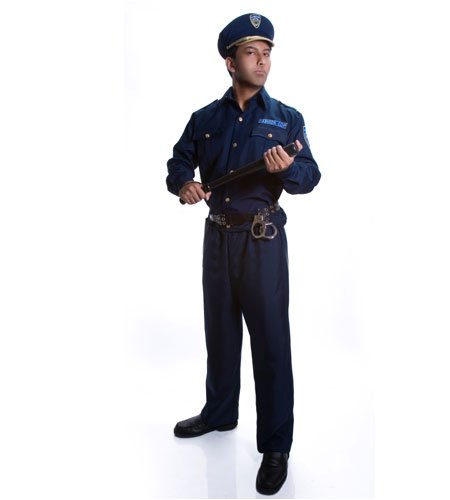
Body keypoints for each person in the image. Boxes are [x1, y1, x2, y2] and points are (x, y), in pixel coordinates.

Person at [166, 13, 321, 496]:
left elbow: (310, 177)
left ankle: (276, 446)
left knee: (271, 342)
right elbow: (178, 162)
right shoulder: (205, 119)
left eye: (267, 53)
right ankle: (219, 412)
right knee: (220, 332)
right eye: (252, 53)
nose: (262, 61)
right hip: (217, 237)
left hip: (262, 239)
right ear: (230, 62)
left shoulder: (287, 119)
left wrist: (287, 168)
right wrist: (184, 184)